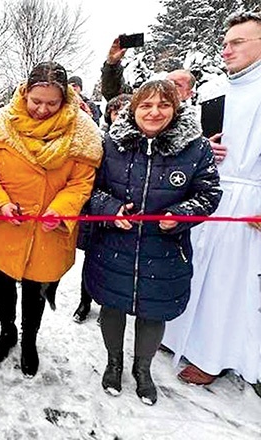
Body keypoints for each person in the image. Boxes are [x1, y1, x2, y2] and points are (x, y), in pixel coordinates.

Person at [83, 79, 222, 405]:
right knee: (112, 306)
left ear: (176, 108)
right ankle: (114, 362)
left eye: (163, 105)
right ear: (134, 108)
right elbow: (89, 189)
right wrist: (109, 209)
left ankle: (142, 370)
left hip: (164, 250)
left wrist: (181, 213)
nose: (154, 112)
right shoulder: (111, 143)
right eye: (146, 105)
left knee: (153, 313)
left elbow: (209, 193)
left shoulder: (196, 148)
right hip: (114, 246)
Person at [0, 62, 102, 377]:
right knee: (2, 285)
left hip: (49, 229)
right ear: (25, 92)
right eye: (36, 102)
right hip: (6, 224)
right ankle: (7, 331)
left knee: (36, 291)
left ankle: (29, 340)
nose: (43, 110)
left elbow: (81, 182)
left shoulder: (82, 130)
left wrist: (61, 208)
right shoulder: (2, 122)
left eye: (52, 103)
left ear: (65, 100)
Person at [162, 11, 261, 396]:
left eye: (238, 42)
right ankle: (183, 337)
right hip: (213, 194)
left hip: (249, 201)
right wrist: (205, 145)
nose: (227, 49)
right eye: (225, 42)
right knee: (199, 268)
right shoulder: (221, 89)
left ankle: (214, 355)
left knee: (229, 283)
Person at [72, 92, 132, 324]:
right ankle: (85, 302)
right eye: (116, 112)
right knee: (92, 262)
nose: (120, 117)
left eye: (125, 112)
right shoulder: (100, 140)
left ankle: (109, 307)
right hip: (97, 213)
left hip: (125, 214)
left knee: (116, 266)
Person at [100, 37, 196, 103]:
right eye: (167, 81)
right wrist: (112, 64)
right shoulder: (143, 102)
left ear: (189, 94)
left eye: (177, 84)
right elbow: (114, 93)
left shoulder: (193, 124)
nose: (169, 85)